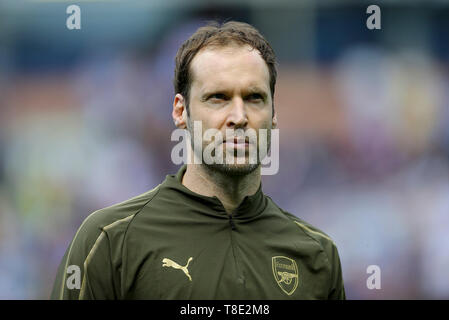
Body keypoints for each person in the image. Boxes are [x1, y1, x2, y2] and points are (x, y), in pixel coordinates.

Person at [51, 21, 345, 300]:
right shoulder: (109, 240)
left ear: (274, 113)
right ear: (181, 111)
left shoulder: (316, 253)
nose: (239, 117)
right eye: (218, 97)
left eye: (255, 97)